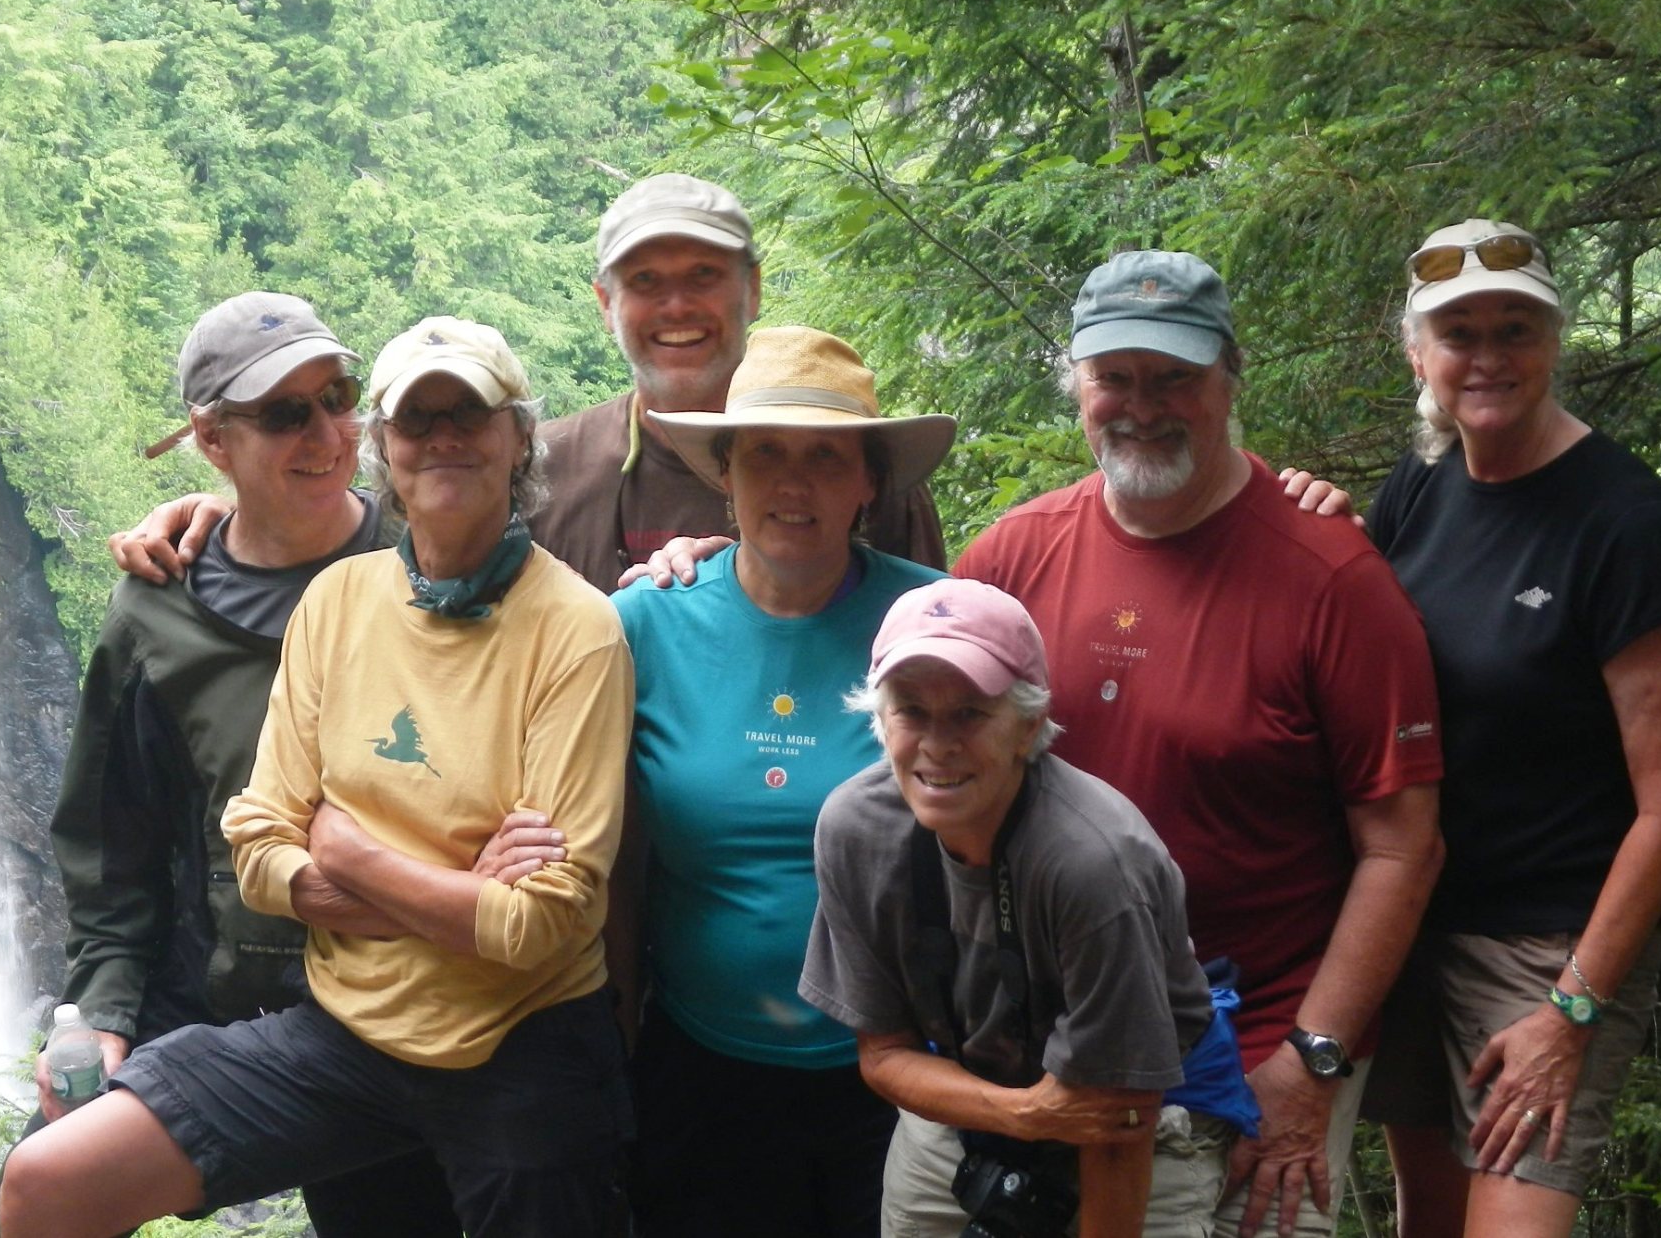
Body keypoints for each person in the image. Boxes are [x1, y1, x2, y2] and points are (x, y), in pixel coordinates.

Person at [0, 318, 634, 1238]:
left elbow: (544, 923)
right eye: (417, 420)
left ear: (520, 436)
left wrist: (346, 853)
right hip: (341, 1030)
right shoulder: (337, 599)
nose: (444, 435)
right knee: (51, 1180)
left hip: (520, 1047)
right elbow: (254, 847)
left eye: (472, 413)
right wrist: (456, 894)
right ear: (387, 449)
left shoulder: (576, 628)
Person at [950, 250, 1446, 1238]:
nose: (1141, 405)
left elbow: (1403, 846)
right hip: (1048, 1059)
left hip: (1254, 1073)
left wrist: (1312, 1058)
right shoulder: (1011, 557)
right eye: (1114, 379)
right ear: (1078, 385)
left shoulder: (1331, 579)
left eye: (1174, 377)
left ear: (1229, 377)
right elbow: (930, 772)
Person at [1356, 220, 1661, 1237]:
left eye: (1515, 329)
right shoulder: (1422, 487)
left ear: (1555, 342)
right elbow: (1374, 661)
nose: (1487, 357)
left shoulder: (1625, 523)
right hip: (1419, 919)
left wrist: (1572, 1010)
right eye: (1458, 332)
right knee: (1424, 1221)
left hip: (1547, 953)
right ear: (1417, 351)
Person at [104, 173, 946, 591]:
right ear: (603, 304)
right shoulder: (546, 468)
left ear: (752, 291)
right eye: (645, 284)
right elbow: (419, 559)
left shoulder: (853, 464)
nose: (677, 306)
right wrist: (220, 512)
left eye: (703, 275)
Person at [610, 326, 953, 1236]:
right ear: (725, 471)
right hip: (700, 1066)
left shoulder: (930, 622)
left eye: (826, 458)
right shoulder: (644, 623)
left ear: (869, 482)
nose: (793, 484)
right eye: (765, 453)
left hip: (899, 1068)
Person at [805, 577, 1231, 1237]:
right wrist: (1023, 1114)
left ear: (1028, 725)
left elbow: (1118, 1118)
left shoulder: (1091, 863)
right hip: (978, 1100)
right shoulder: (858, 830)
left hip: (1144, 1116)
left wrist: (1036, 1115)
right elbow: (883, 1054)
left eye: (971, 714)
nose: (938, 745)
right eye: (912, 711)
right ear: (879, 719)